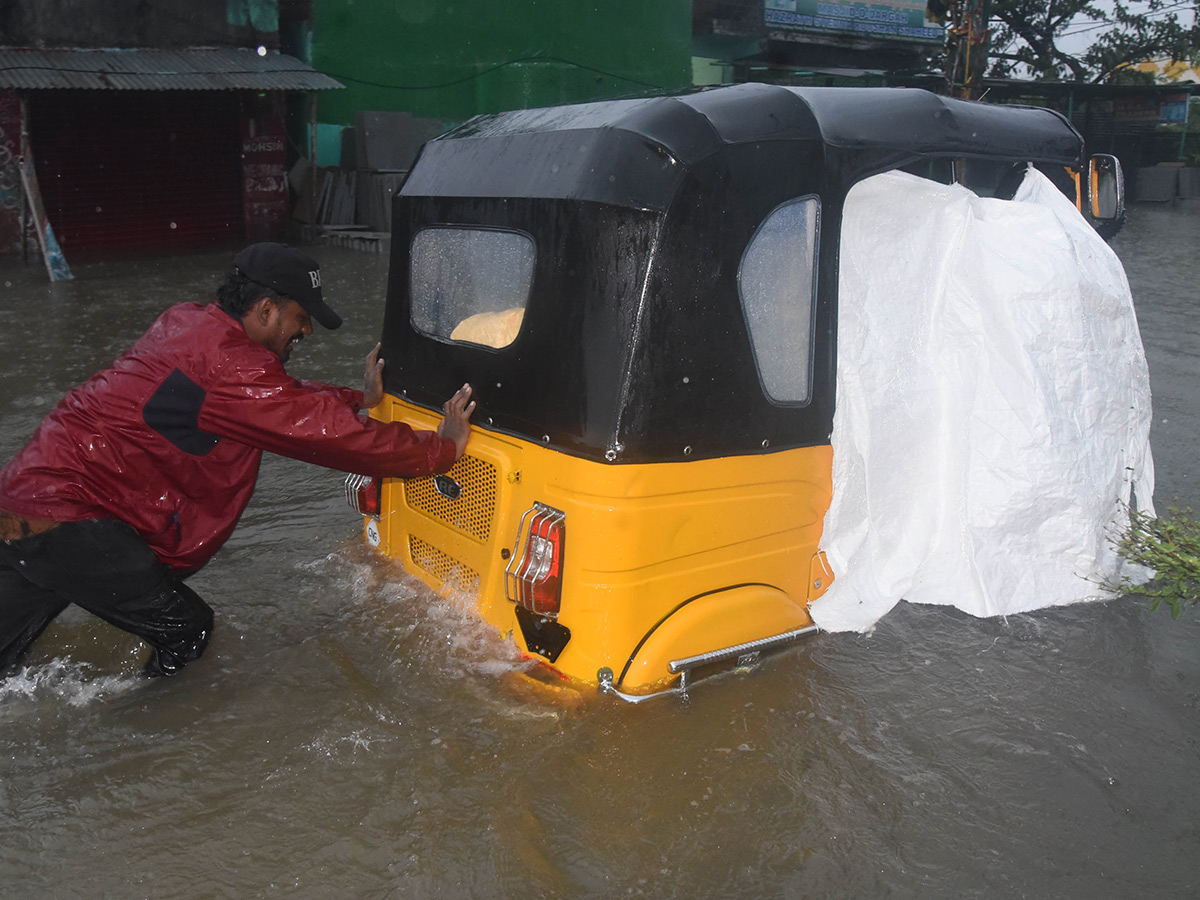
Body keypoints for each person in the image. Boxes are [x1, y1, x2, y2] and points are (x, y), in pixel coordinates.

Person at [0, 242, 475, 678]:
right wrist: (442, 449)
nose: (306, 330)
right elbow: (327, 436)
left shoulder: (187, 323)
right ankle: (141, 737)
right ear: (266, 309)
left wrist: (355, 398)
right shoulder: (233, 367)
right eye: (301, 316)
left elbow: (265, 398)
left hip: (22, 498)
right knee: (187, 630)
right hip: (71, 515)